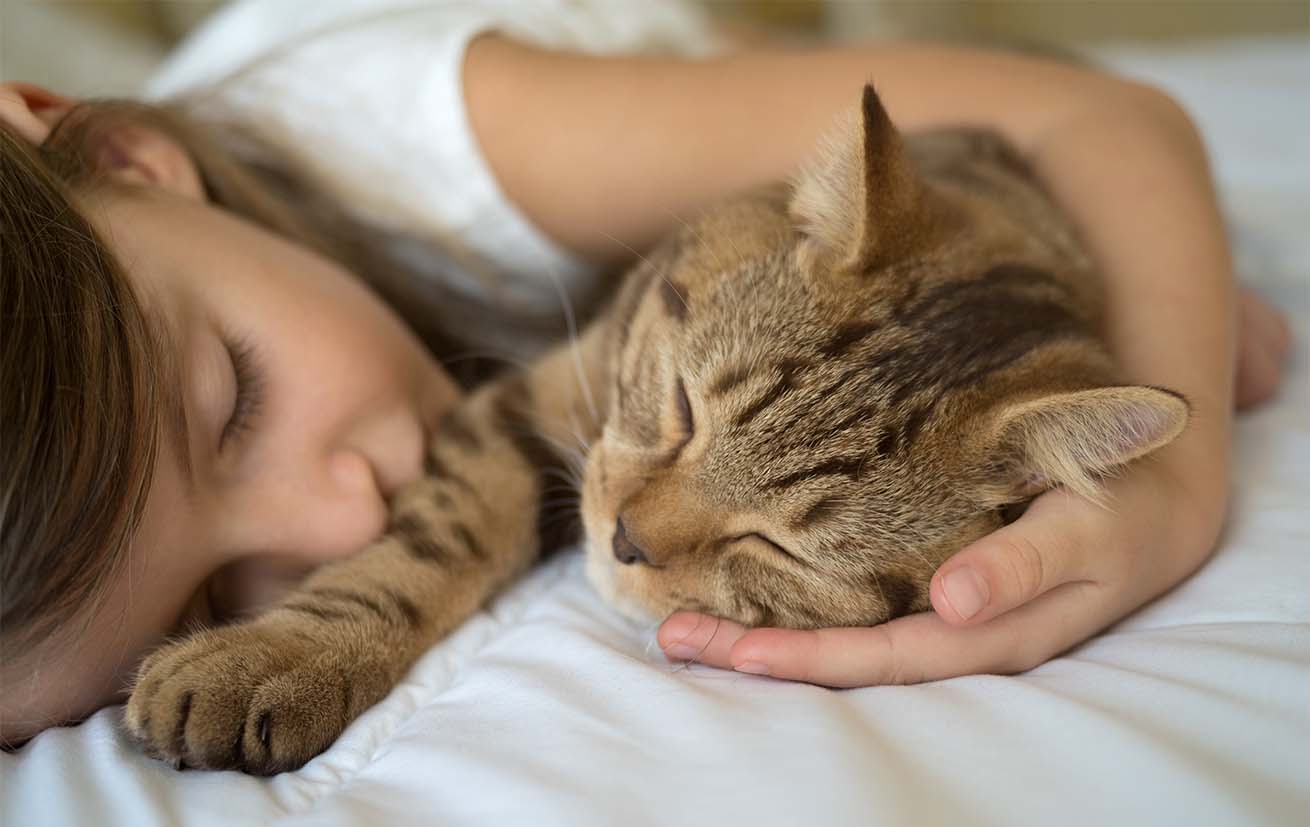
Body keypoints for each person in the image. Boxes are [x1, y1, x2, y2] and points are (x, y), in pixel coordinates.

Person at [0, 1, 1292, 746]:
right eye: (206, 605)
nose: (341, 519)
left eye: (239, 401)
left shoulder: (423, 132)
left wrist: (1165, 484)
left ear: (126, 159)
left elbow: (1101, 120)